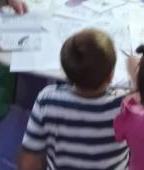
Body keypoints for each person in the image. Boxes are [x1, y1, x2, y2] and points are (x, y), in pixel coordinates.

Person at [18, 29, 129, 170]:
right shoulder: (126, 105)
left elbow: (29, 159)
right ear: (110, 76)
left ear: (65, 73)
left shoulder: (47, 100)